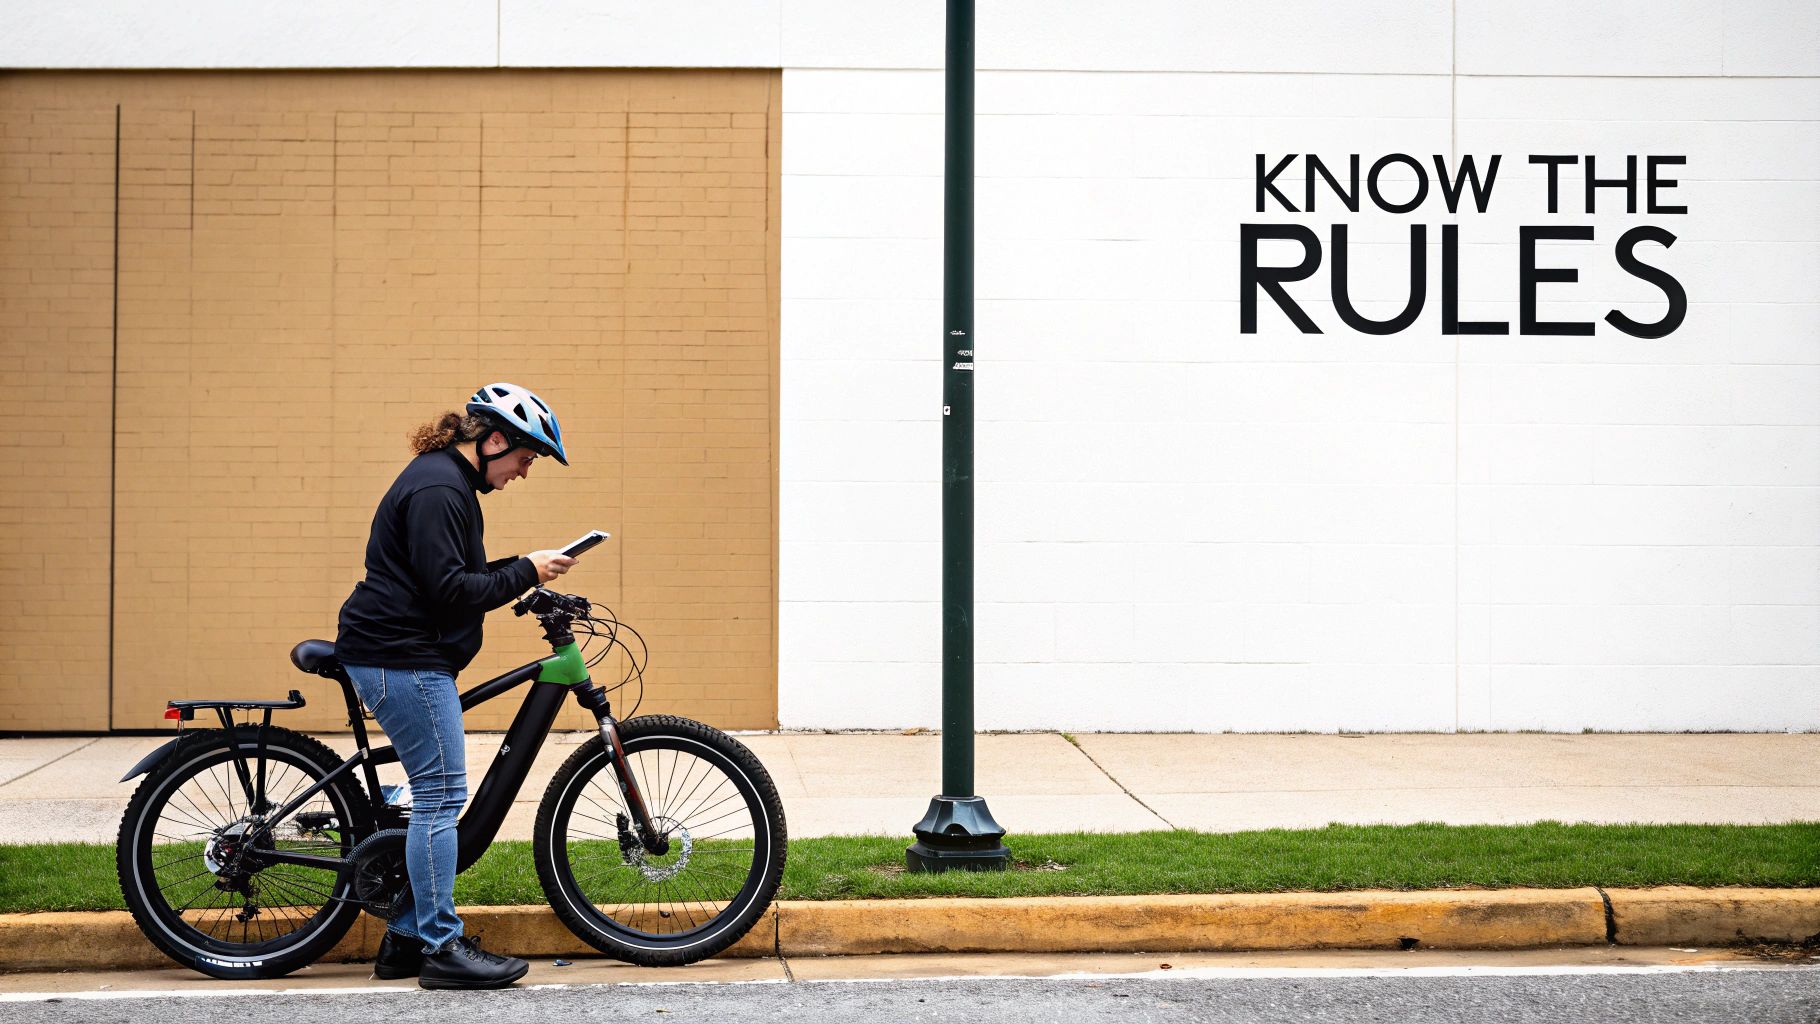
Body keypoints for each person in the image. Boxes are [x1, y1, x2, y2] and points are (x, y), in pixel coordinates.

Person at [334, 382, 577, 990]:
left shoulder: (445, 481)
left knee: (435, 794)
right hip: (401, 657)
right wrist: (524, 570)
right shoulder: (441, 489)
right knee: (441, 794)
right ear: (494, 440)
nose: (524, 472)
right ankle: (441, 949)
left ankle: (405, 939)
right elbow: (450, 591)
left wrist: (525, 567)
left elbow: (454, 578)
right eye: (525, 458)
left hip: (405, 653)